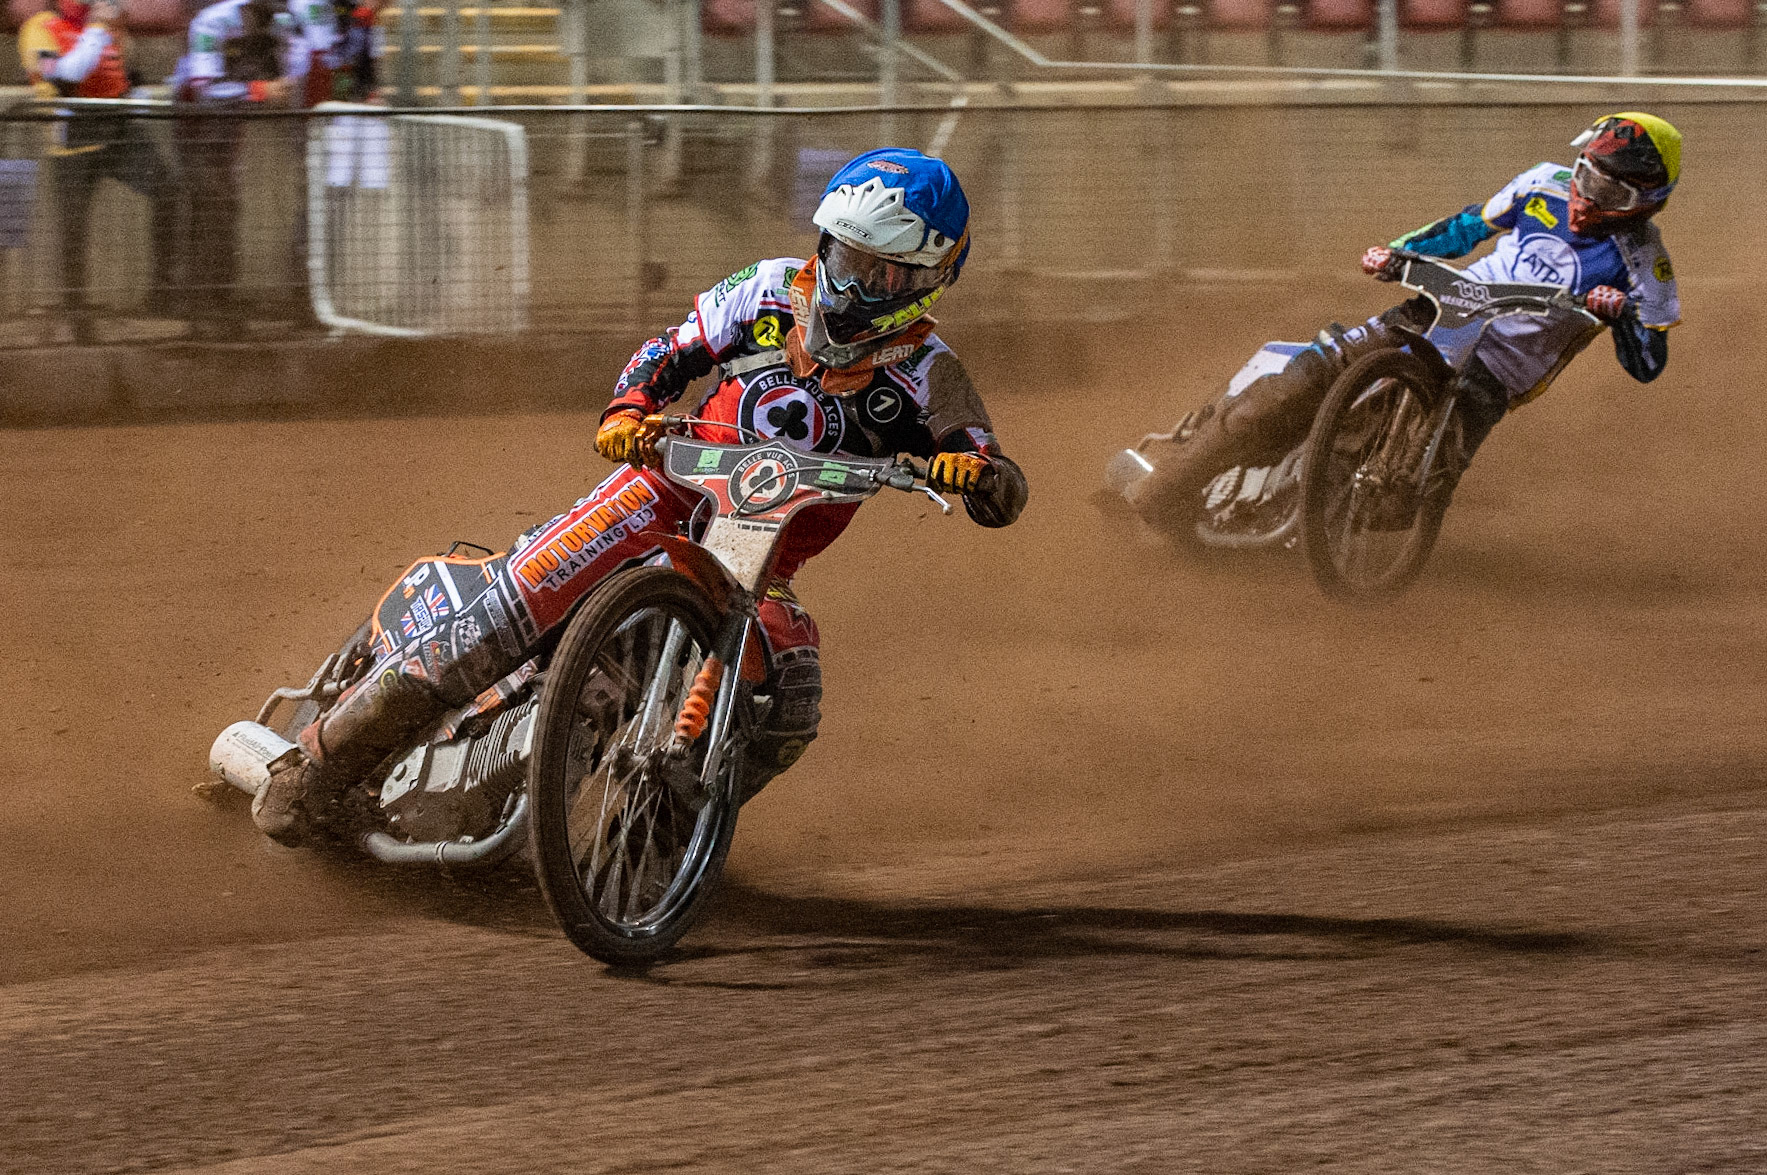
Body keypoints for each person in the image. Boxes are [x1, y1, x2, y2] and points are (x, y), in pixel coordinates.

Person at [251, 147, 1031, 846]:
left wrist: (978, 477)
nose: (853, 281)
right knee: (511, 606)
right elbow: (669, 350)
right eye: (844, 255)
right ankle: (316, 766)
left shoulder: (928, 373)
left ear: (929, 278)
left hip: (753, 561)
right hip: (657, 491)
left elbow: (989, 466)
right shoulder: (766, 292)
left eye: (879, 272)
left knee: (791, 684)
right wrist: (629, 407)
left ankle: (660, 839)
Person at [1123, 112, 1681, 527]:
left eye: (1611, 191)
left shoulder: (1644, 266)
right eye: (1586, 175)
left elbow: (1648, 363)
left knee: (1396, 507)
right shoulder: (1541, 183)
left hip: (1493, 376)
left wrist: (1623, 315)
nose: (1586, 198)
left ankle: (1308, 525)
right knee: (1286, 394)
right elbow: (1466, 229)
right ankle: (1165, 493)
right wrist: (1397, 253)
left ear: (1650, 201)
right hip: (1436, 312)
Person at [18, 0, 177, 338]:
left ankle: (164, 292)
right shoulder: (39, 29)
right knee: (73, 231)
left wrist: (136, 93)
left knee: (170, 190)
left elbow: (121, 76)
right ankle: (78, 317)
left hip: (118, 131)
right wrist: (97, 29)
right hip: (73, 139)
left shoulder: (101, 26)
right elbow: (69, 74)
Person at [171, 0, 297, 334]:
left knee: (226, 213)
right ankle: (201, 312)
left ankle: (218, 304)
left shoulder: (277, 21)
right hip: (194, 130)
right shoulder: (211, 23)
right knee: (210, 213)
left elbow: (286, 71)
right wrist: (260, 91)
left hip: (229, 133)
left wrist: (282, 75)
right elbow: (204, 91)